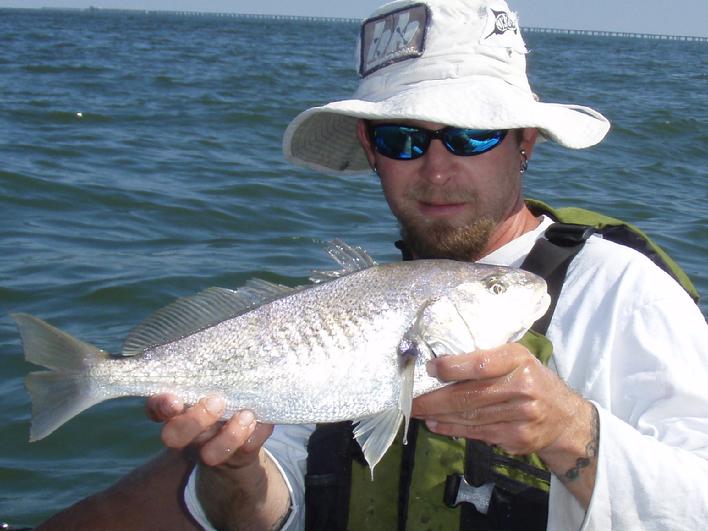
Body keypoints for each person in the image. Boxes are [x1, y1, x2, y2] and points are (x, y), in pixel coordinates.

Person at [36, 0, 708, 530]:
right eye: (403, 138)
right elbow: (272, 507)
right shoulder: (342, 307)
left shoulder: (623, 293)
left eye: (471, 135)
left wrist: (572, 432)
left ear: (525, 141)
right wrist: (236, 469)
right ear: (369, 146)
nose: (437, 167)